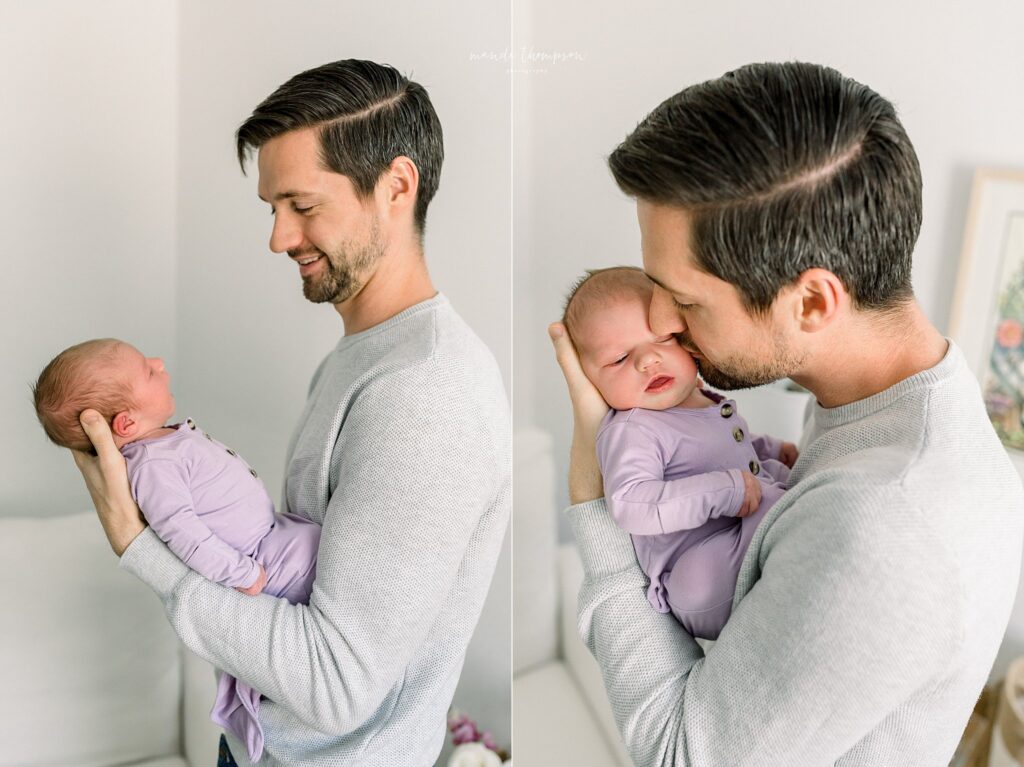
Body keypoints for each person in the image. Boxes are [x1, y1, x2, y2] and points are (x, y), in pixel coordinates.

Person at [549, 61, 1024, 766]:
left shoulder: (886, 529)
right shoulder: (880, 401)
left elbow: (682, 754)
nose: (655, 318)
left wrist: (592, 493)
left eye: (682, 297)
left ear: (810, 302)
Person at [71, 59, 510, 767]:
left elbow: (335, 683)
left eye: (302, 206)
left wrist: (141, 550)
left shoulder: (427, 397)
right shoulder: (361, 357)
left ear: (397, 186)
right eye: (273, 208)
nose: (278, 238)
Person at [33, 338, 320, 761]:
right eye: (148, 371)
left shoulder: (162, 446)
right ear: (127, 425)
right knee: (324, 562)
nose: (159, 363)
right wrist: (240, 573)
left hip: (273, 538)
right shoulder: (152, 467)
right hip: (264, 565)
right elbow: (183, 535)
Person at [562, 266, 795, 639]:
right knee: (776, 497)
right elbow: (631, 503)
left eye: (663, 340)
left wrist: (776, 449)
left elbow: (731, 443)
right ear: (590, 380)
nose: (647, 361)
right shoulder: (633, 428)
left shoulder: (698, 401)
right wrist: (725, 491)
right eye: (619, 359)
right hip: (701, 573)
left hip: (733, 541)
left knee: (777, 481)